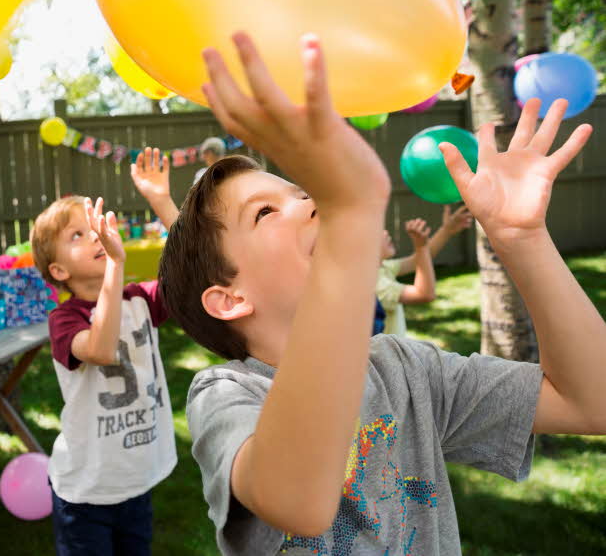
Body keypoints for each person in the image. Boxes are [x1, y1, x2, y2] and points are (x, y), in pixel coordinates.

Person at [158, 31, 602, 555]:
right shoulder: (227, 395)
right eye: (265, 212)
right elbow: (298, 501)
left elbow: (589, 401)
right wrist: (351, 213)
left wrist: (521, 238)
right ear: (229, 299)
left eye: (303, 193)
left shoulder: (405, 370)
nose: (313, 204)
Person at [31, 147, 179, 555]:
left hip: (135, 480)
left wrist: (161, 201)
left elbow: (194, 269)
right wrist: (116, 263)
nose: (94, 235)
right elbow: (100, 348)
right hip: (87, 493)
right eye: (76, 235)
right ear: (59, 272)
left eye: (92, 227)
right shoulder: (64, 319)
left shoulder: (139, 300)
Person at [377, 206, 473, 336]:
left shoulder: (381, 268)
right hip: (389, 356)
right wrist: (421, 247)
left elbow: (418, 260)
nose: (385, 233)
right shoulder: (375, 285)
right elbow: (424, 294)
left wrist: (446, 230)